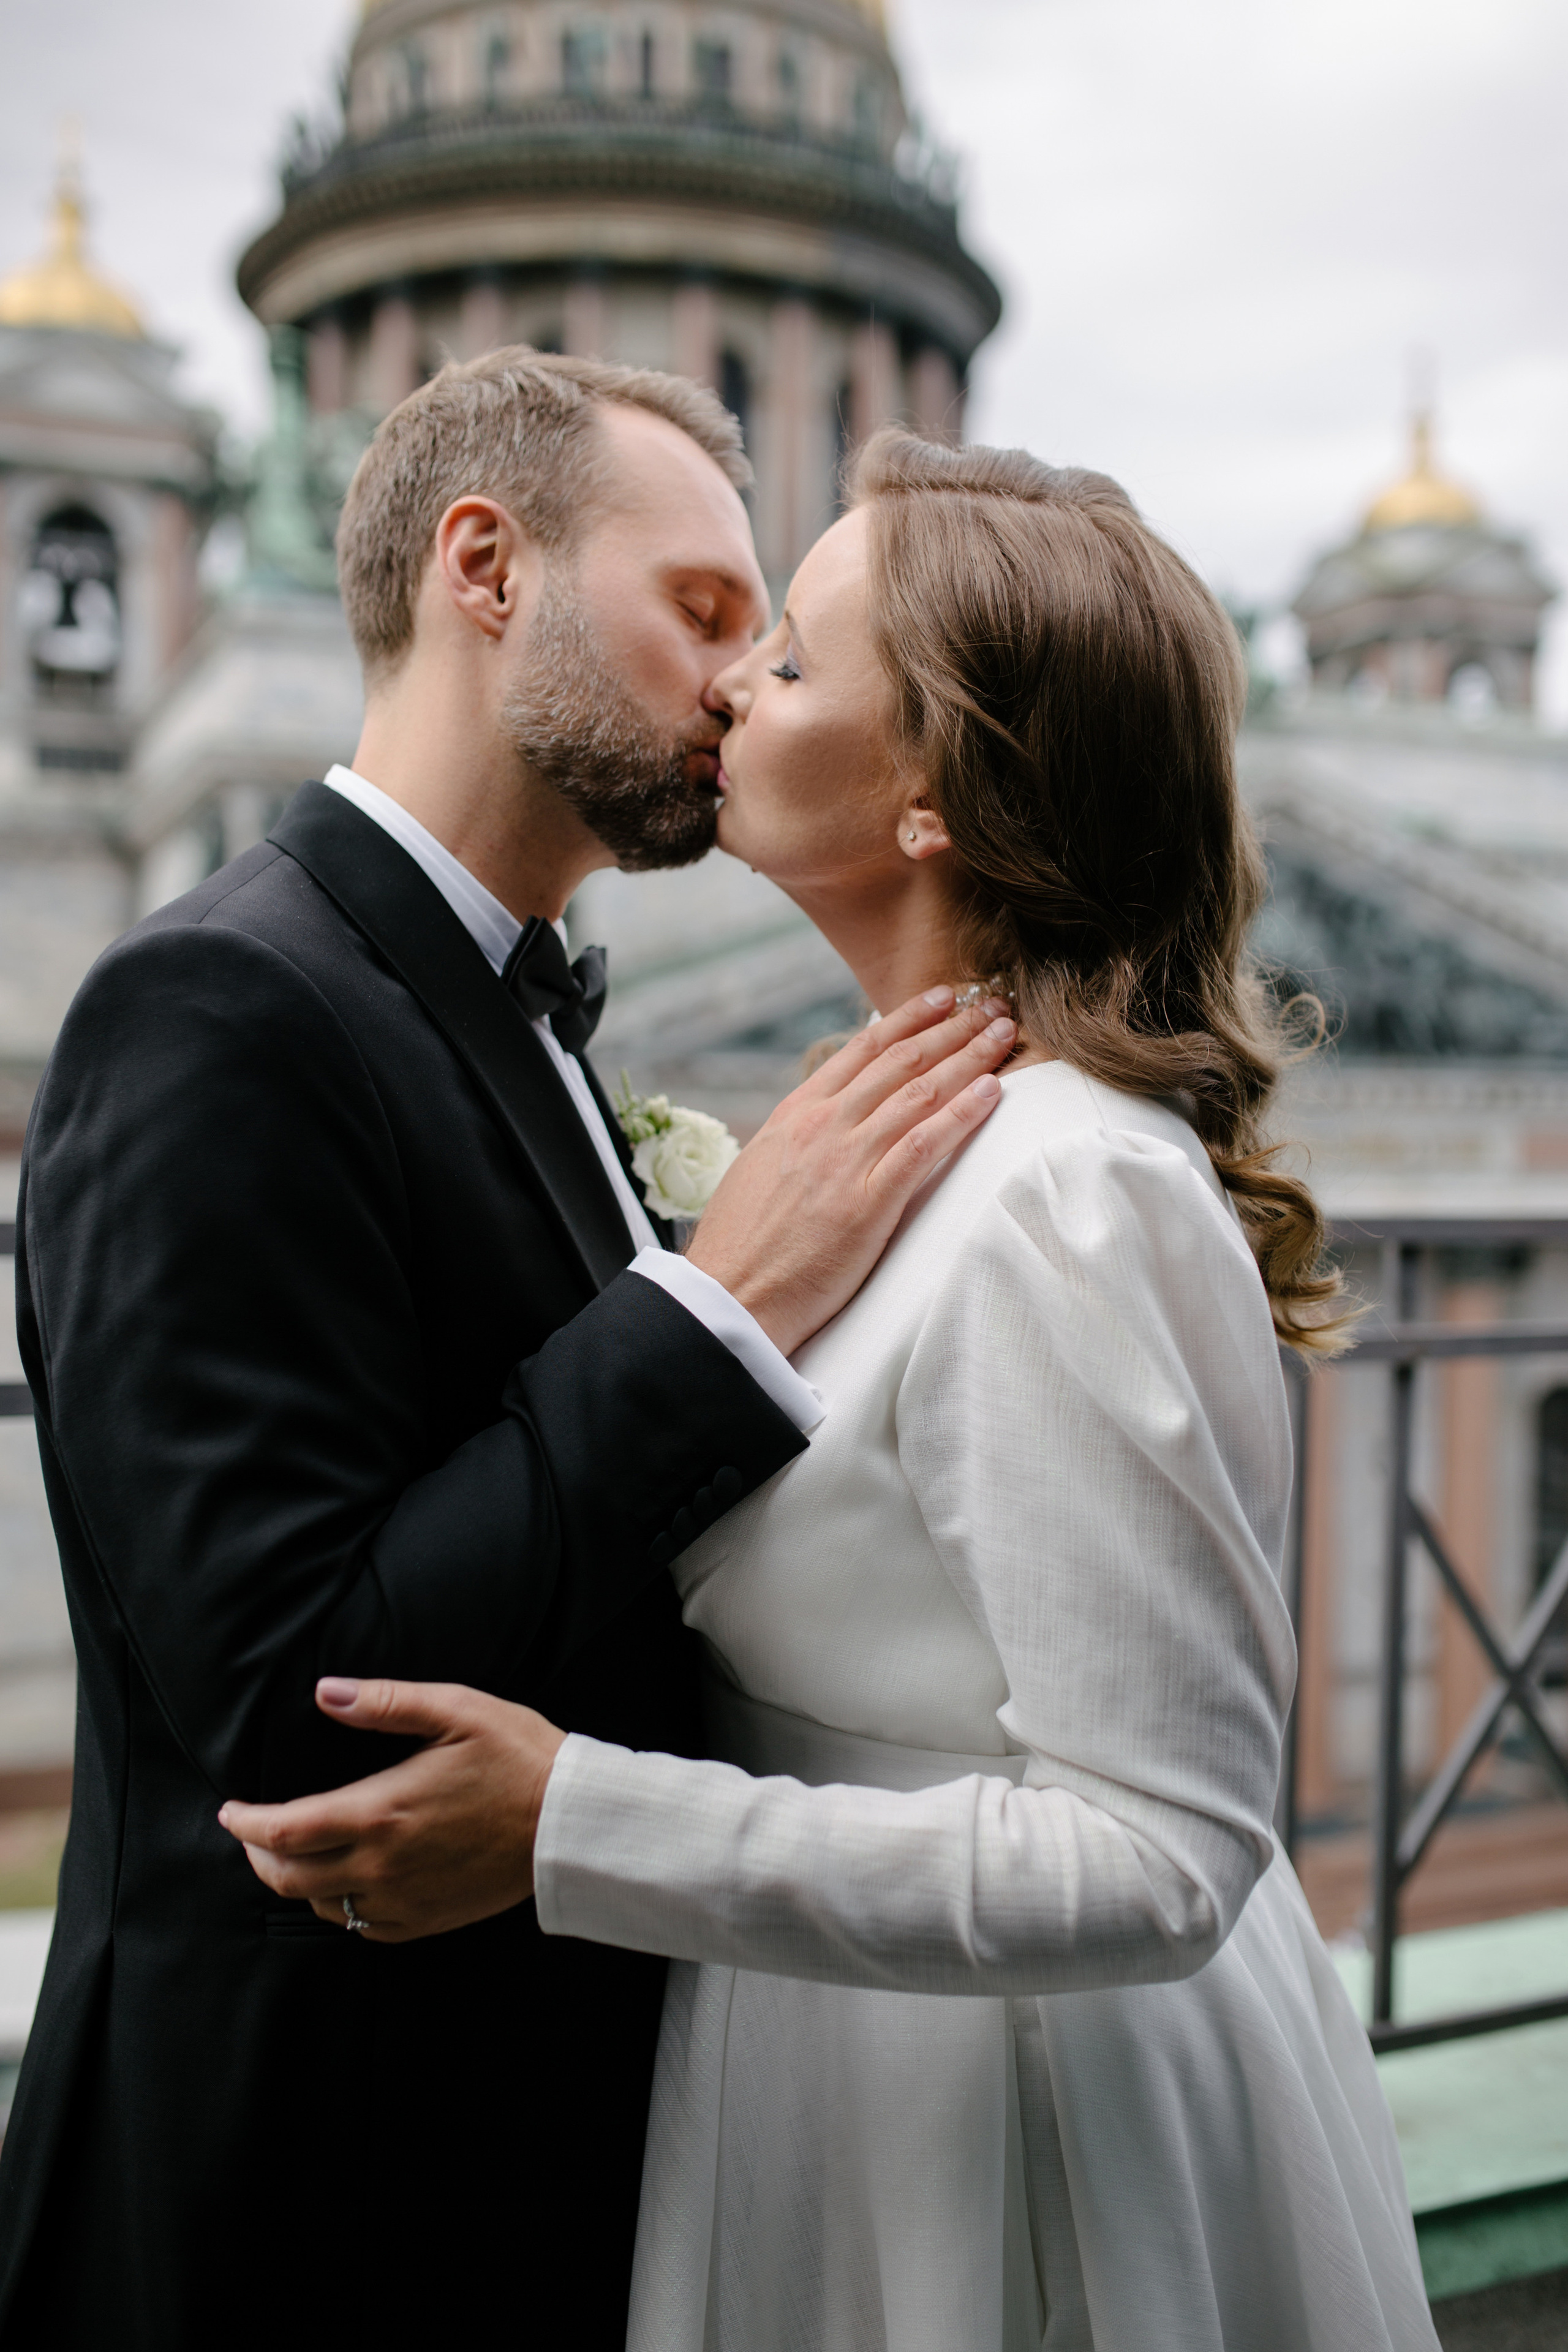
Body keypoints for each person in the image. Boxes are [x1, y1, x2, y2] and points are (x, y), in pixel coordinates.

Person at [227, 429, 1443, 2351]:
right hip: (842, 2067)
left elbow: (1165, 1853)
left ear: (936, 795)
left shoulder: (1070, 1189)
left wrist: (579, 1826)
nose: (726, 685)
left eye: (785, 655)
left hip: (1011, 2133)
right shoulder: (907, 1133)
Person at [0, 358, 1017, 2352]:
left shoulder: (505, 1012)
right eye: (704, 613)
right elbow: (306, 1711)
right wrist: (721, 1304)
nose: (743, 687)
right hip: (301, 2215)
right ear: (485, 568)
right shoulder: (213, 1004)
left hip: (528, 2167)